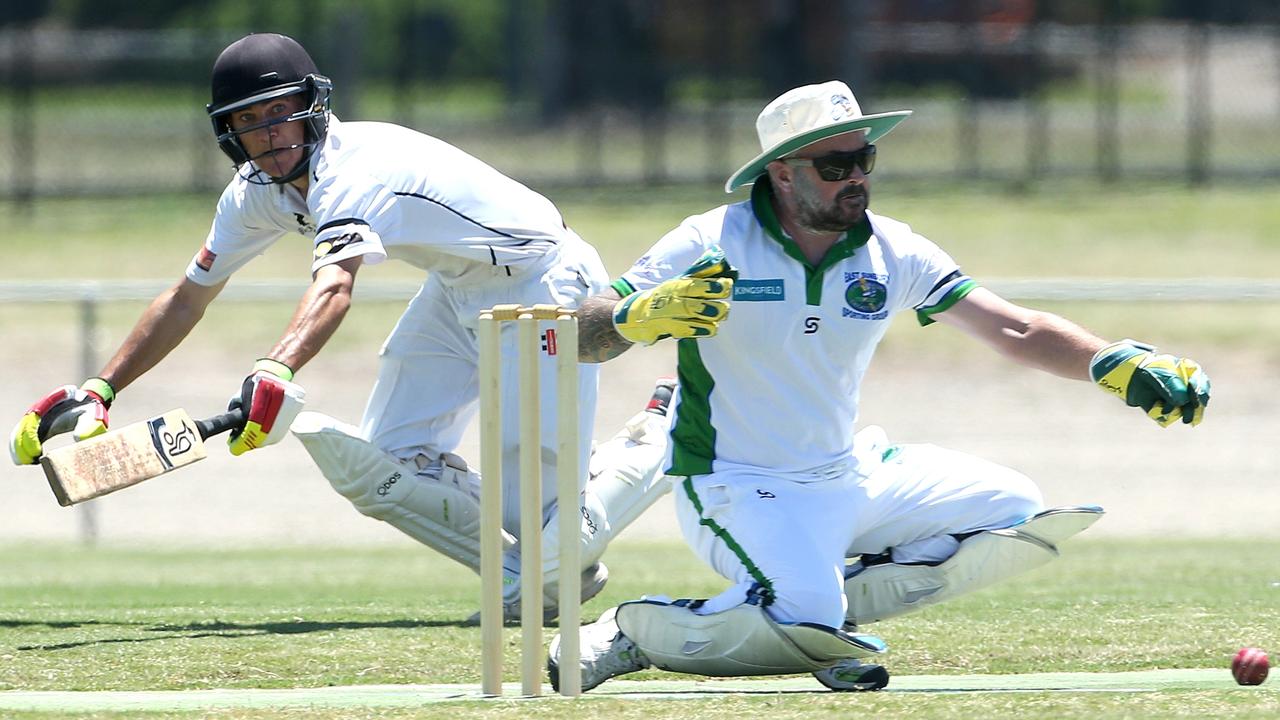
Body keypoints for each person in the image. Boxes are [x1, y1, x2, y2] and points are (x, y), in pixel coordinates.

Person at [7, 32, 695, 621]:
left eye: (282, 115)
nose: (271, 134)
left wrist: (274, 368)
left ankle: (659, 440)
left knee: (532, 514)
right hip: (455, 290)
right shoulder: (256, 193)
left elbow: (335, 285)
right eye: (252, 122)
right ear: (229, 133)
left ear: (313, 109)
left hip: (542, 281)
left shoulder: (352, 172)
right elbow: (189, 297)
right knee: (385, 471)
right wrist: (101, 387)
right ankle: (549, 570)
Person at [550, 80, 1211, 692]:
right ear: (781, 173)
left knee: (1012, 508)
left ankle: (817, 620)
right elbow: (582, 335)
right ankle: (635, 629)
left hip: (844, 475)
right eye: (835, 168)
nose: (857, 179)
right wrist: (635, 317)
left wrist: (1111, 364)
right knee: (804, 605)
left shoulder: (894, 251)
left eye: (864, 159)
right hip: (731, 481)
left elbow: (1014, 328)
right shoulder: (708, 240)